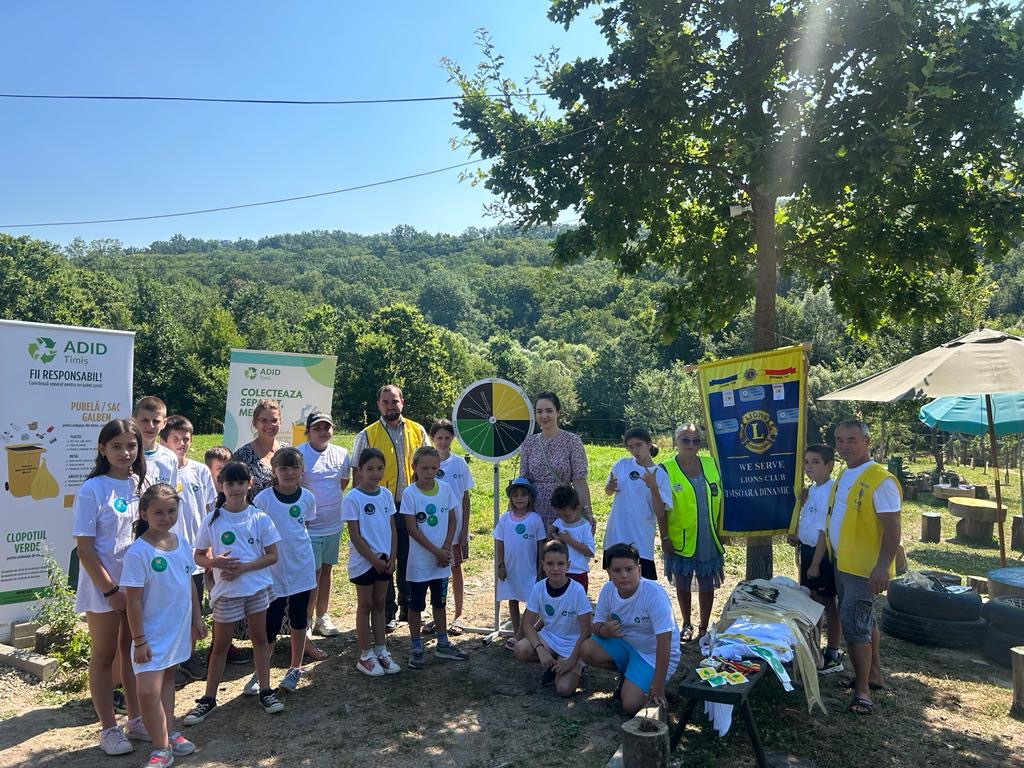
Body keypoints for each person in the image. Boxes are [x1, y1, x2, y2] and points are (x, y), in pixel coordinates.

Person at [184, 462, 283, 724]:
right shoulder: (212, 520)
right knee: (220, 646)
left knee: (260, 640)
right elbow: (198, 556)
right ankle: (208, 698)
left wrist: (243, 569)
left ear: (249, 484)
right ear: (221, 486)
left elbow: (272, 556)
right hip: (226, 592)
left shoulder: (259, 518)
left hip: (256, 589)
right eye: (230, 483)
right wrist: (215, 562)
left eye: (241, 482)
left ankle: (265, 690)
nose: (236, 488)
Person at [73, 419, 149, 755]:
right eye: (116, 446)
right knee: (104, 655)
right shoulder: (92, 489)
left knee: (130, 653)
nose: (125, 453)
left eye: (131, 446)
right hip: (103, 588)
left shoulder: (139, 484)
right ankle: (108, 728)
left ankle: (136, 719)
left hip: (133, 587)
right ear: (102, 449)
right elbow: (85, 550)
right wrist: (110, 591)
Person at [819, 419, 901, 716]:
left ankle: (862, 691)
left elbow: (892, 526)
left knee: (854, 627)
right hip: (844, 563)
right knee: (865, 621)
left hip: (863, 569)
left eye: (851, 440)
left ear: (867, 441)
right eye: (839, 440)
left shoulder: (880, 479)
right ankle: (873, 674)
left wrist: (882, 567)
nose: (844, 446)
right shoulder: (846, 473)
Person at [122, 484, 205, 767]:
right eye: (158, 512)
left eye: (171, 511)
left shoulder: (181, 544)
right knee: (147, 692)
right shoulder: (138, 553)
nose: (166, 517)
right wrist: (139, 640)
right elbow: (133, 601)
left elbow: (189, 583)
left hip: (177, 629)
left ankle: (169, 733)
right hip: (150, 634)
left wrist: (197, 618)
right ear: (143, 513)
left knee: (168, 680)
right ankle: (160, 748)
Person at [351, 384, 428, 630]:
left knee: (408, 555)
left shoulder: (418, 430)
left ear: (402, 402)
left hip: (411, 505)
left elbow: (428, 464)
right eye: (385, 402)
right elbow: (356, 473)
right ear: (378, 405)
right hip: (381, 506)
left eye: (394, 401)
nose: (390, 406)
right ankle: (387, 610)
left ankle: (408, 604)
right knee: (385, 555)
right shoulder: (366, 435)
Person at [582, 543, 680, 716]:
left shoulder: (653, 594)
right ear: (609, 573)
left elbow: (665, 641)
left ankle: (647, 685)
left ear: (639, 570)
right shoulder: (607, 590)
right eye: (617, 570)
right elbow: (595, 625)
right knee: (587, 649)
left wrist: (658, 687)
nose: (624, 575)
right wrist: (605, 631)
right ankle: (630, 676)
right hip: (626, 645)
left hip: (653, 654)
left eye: (629, 569)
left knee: (631, 705)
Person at [253, 448, 318, 693]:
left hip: (301, 566)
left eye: (294, 468)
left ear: (302, 471)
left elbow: (304, 525)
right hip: (274, 570)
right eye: (283, 468)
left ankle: (295, 668)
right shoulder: (264, 499)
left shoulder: (307, 498)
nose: (289, 473)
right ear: (274, 471)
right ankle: (261, 671)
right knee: (271, 623)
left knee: (299, 620)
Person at [160, 414, 216, 683]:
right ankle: (170, 663)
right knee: (172, 610)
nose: (182, 443)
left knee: (195, 609)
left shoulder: (200, 471)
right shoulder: (160, 473)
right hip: (168, 554)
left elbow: (209, 510)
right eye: (176, 439)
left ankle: (190, 657)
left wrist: (209, 547)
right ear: (164, 441)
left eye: (186, 438)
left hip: (196, 554)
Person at [401, 446, 469, 668]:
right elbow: (412, 529)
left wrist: (446, 548)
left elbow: (452, 520)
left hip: (441, 561)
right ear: (414, 468)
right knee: (416, 606)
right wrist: (436, 551)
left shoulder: (446, 489)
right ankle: (416, 646)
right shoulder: (410, 493)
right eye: (424, 468)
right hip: (420, 563)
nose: (429, 472)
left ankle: (443, 644)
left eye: (434, 468)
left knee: (440, 603)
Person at [661, 424, 725, 642]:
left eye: (696, 440)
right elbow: (660, 508)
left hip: (708, 535)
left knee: (707, 583)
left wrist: (723, 529)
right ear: (676, 441)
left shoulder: (711, 464)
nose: (691, 444)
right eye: (685, 440)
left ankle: (704, 627)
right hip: (680, 537)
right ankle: (686, 623)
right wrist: (665, 536)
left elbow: (723, 498)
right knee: (683, 581)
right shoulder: (666, 469)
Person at [343, 448, 401, 677]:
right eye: (370, 469)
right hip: (364, 563)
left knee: (379, 604)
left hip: (385, 562)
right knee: (365, 605)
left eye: (379, 468)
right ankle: (365, 655)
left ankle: (381, 650)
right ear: (360, 470)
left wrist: (392, 557)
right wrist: (373, 560)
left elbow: (392, 529)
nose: (375, 473)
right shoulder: (353, 498)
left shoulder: (385, 494)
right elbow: (355, 536)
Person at [297, 411, 350, 657]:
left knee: (327, 571)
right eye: (317, 428)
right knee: (312, 574)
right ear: (308, 431)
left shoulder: (341, 454)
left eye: (326, 427)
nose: (322, 432)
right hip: (309, 527)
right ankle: (306, 620)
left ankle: (322, 617)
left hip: (333, 525)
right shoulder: (299, 453)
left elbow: (343, 483)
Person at [514, 540, 592, 696]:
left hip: (572, 645)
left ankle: (577, 666)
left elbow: (586, 632)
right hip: (549, 639)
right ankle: (553, 664)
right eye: (550, 564)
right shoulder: (539, 588)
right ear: (543, 565)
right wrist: (540, 649)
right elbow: (527, 624)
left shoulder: (577, 590)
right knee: (520, 649)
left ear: (568, 565)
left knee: (564, 690)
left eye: (560, 564)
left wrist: (571, 661)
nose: (555, 569)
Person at [791, 444, 843, 674]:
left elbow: (823, 530)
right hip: (808, 550)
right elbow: (810, 521)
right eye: (806, 462)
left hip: (821, 555)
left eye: (816, 462)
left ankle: (833, 652)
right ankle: (814, 647)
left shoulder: (830, 492)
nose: (809, 467)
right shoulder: (812, 490)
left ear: (830, 465)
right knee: (811, 599)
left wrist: (815, 564)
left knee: (828, 602)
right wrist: (798, 536)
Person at [518, 392, 595, 530]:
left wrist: (587, 511)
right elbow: (523, 480)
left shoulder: (572, 441)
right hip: (534, 511)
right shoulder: (529, 443)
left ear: (558, 412)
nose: (544, 416)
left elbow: (579, 480)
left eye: (549, 411)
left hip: (564, 507)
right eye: (539, 411)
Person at [204, 445, 251, 666]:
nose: (226, 475)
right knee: (218, 603)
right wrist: (210, 558)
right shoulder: (211, 500)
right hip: (212, 562)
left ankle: (225, 645)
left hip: (235, 570)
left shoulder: (241, 504)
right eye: (220, 470)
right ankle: (217, 648)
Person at [604, 427, 672, 581]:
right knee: (616, 582)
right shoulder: (621, 465)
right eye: (630, 447)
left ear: (649, 444)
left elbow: (660, 512)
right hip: (616, 534)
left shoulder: (660, 475)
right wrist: (609, 488)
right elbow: (608, 492)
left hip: (641, 538)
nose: (635, 450)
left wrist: (653, 487)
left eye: (638, 445)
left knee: (642, 584)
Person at [429, 418, 475, 634]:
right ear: (432, 438)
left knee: (455, 568)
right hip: (432, 529)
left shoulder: (459, 464)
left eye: (447, 438)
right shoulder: (426, 463)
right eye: (439, 438)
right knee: (434, 571)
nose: (443, 442)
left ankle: (458, 614)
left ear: (453, 439)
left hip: (455, 530)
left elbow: (465, 498)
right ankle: (436, 615)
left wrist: (465, 528)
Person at [494, 477, 546, 650]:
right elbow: (499, 542)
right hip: (510, 568)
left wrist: (541, 565)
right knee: (513, 598)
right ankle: (517, 632)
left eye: (523, 494)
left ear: (530, 497)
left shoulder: (535, 519)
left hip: (529, 568)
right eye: (515, 495)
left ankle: (521, 635)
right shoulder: (504, 519)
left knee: (531, 602)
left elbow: (540, 543)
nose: (519, 498)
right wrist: (500, 565)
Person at [231, 398, 283, 500]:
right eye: (264, 420)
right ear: (255, 423)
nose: (269, 425)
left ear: (280, 422)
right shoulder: (242, 455)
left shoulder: (287, 451)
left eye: (274, 420)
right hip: (253, 510)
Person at [548, 485, 595, 593]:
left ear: (577, 508)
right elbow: (551, 546)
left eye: (567, 515)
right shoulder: (558, 523)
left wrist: (569, 540)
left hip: (578, 573)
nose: (563, 518)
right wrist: (550, 535)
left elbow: (590, 552)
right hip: (559, 572)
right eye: (560, 515)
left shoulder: (585, 526)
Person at [133, 396, 178, 489]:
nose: (150, 426)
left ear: (164, 423)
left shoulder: (170, 458)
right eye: (145, 420)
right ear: (134, 420)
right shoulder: (127, 455)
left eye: (156, 421)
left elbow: (171, 494)